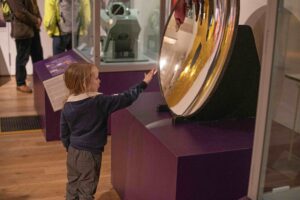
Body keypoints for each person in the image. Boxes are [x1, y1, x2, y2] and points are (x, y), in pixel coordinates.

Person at [60, 63, 157, 199]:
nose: (100, 80)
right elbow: (126, 98)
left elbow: (64, 132)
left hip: (73, 152)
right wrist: (144, 83)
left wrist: (69, 148)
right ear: (84, 83)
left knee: (73, 185)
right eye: (96, 78)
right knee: (87, 189)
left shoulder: (67, 104)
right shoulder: (99, 102)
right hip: (90, 154)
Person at [7, 0, 43, 93]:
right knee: (22, 57)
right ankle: (20, 83)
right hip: (22, 30)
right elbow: (20, 12)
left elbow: (34, 5)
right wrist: (36, 20)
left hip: (33, 28)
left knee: (38, 55)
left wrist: (39, 18)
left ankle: (40, 80)